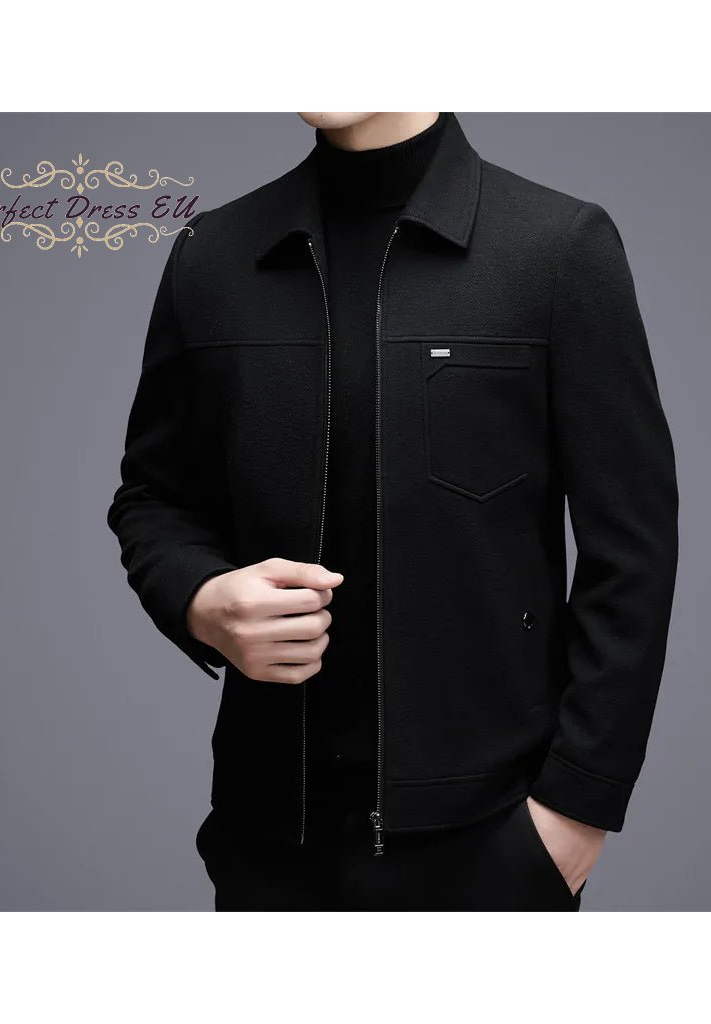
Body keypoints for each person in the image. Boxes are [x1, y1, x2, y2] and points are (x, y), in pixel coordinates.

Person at [107, 112, 679, 911]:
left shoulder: (557, 247)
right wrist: (201, 599)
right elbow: (153, 496)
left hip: (489, 837)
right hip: (265, 836)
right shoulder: (214, 254)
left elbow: (634, 548)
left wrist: (577, 806)